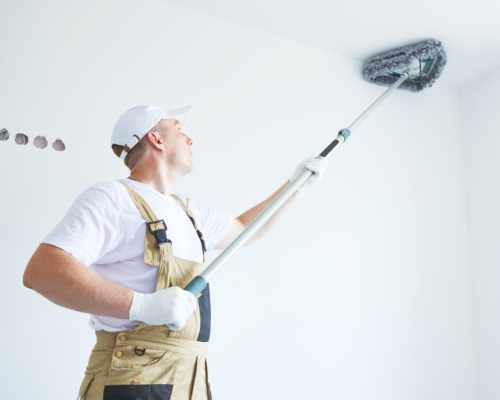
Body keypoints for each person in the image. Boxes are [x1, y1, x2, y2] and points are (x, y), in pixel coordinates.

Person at [22, 105, 328, 399]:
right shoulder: (113, 198)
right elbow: (43, 272)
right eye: (179, 130)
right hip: (134, 377)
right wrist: (140, 306)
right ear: (156, 138)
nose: (190, 139)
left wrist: (294, 186)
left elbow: (246, 229)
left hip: (188, 376)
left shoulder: (188, 212)